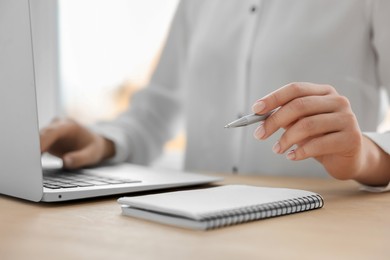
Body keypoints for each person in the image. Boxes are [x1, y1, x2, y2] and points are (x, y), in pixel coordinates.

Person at [41, 0, 390, 190]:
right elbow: (155, 112)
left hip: (320, 228)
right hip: (199, 221)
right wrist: (103, 141)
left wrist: (365, 158)